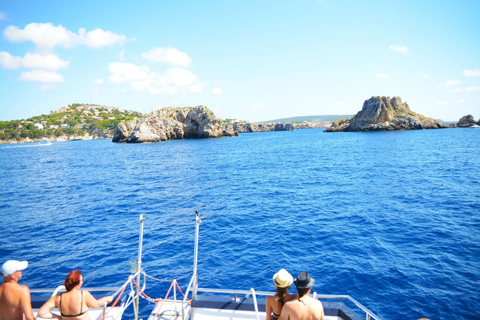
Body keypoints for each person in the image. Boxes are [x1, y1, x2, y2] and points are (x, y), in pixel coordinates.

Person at [38, 270, 114, 320]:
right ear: (77, 284)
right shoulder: (83, 294)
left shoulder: (57, 298)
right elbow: (96, 304)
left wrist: (59, 317)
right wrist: (106, 298)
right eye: (82, 280)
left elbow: (41, 313)